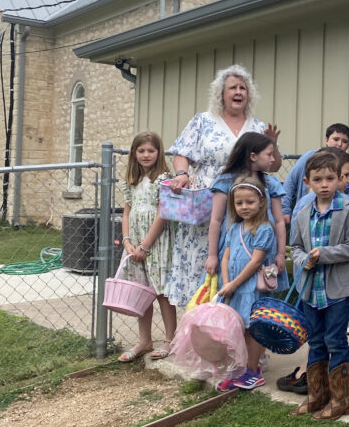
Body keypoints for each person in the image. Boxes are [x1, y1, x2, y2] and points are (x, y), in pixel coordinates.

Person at [164, 65, 277, 310]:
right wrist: (182, 173)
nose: (238, 92)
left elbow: (273, 165)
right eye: (232, 88)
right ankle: (197, 330)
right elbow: (181, 154)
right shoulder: (203, 121)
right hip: (206, 206)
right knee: (202, 262)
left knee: (240, 264)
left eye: (243, 88)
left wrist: (274, 144)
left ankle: (237, 330)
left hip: (247, 206)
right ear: (221, 94)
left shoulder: (258, 127)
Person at [289, 150, 349, 420]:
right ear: (307, 182)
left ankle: (343, 399)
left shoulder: (348, 209)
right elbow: (295, 247)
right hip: (311, 291)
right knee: (316, 341)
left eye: (330, 178)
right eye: (317, 179)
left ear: (340, 179)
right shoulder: (303, 213)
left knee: (335, 340)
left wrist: (324, 254)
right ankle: (317, 395)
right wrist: (302, 260)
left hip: (337, 292)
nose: (324, 184)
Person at [118, 131, 176, 362]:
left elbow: (163, 213)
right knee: (140, 292)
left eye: (150, 150)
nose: (145, 154)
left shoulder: (163, 179)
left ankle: (170, 338)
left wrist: (146, 244)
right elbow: (127, 212)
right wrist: (127, 241)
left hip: (156, 243)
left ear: (158, 153)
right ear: (134, 153)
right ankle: (144, 339)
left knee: (161, 292)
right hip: (134, 245)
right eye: (141, 150)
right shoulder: (131, 181)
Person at [205, 132, 288, 294]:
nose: (273, 159)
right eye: (269, 154)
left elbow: (279, 221)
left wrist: (280, 253)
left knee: (259, 294)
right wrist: (212, 255)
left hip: (264, 250)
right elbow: (215, 220)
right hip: (233, 249)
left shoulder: (271, 184)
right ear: (253, 156)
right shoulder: (225, 182)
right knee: (230, 293)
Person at [217, 175, 278, 390]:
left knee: (253, 330)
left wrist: (234, 284)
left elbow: (256, 261)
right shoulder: (234, 228)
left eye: (249, 202)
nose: (244, 207)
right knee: (239, 329)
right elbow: (225, 256)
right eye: (239, 202)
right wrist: (226, 282)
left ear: (261, 202)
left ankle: (253, 370)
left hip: (252, 289)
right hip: (233, 288)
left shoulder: (264, 229)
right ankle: (239, 370)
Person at [281, 123, 349, 224]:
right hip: (307, 212)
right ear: (326, 140)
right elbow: (291, 181)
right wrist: (285, 209)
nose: (340, 144)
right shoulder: (310, 156)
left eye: (345, 141)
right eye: (336, 139)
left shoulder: (346, 164)